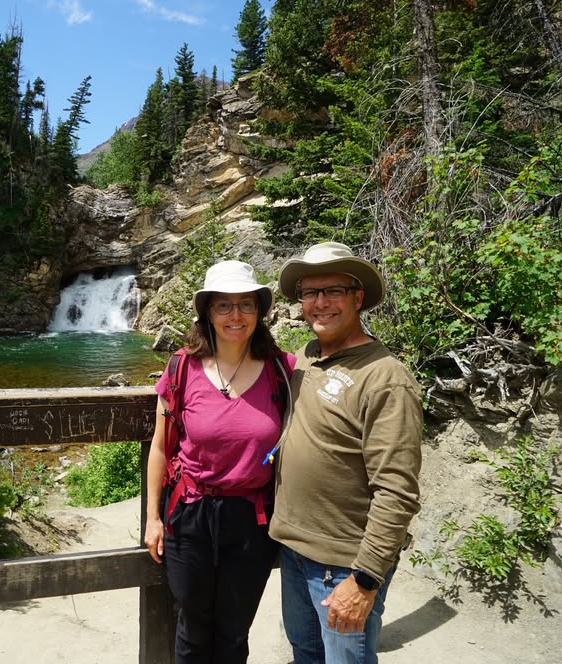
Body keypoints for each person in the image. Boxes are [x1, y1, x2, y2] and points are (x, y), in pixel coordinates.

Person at [269, 242, 423, 664]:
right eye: (309, 293)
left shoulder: (385, 378)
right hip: (294, 550)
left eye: (333, 291)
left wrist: (366, 579)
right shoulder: (305, 357)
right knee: (305, 653)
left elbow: (397, 490)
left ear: (357, 297)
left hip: (343, 564)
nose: (320, 303)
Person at [144, 260, 294, 664]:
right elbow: (160, 448)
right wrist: (153, 519)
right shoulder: (181, 367)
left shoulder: (282, 370)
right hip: (190, 513)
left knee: (234, 632)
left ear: (259, 312)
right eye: (223, 305)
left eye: (245, 304)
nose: (235, 315)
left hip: (251, 517)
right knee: (193, 628)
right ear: (208, 312)